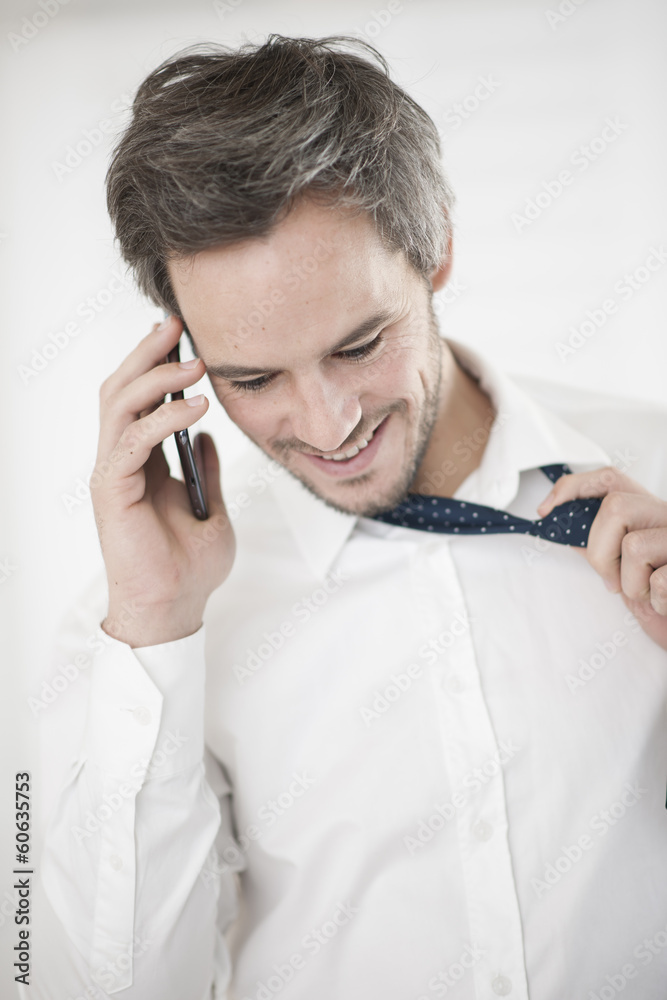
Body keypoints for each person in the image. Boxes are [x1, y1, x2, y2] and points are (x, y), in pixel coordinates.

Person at [33, 34, 667, 1000]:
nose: (328, 426)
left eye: (360, 344)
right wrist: (155, 634)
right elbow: (104, 986)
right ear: (181, 353)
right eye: (252, 377)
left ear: (437, 247)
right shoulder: (145, 621)